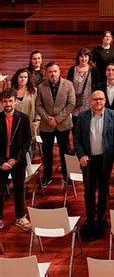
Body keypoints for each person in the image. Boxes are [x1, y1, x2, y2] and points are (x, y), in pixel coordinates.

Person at [74, 90, 114, 240]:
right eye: (95, 99)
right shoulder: (82, 117)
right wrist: (81, 155)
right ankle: (90, 219)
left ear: (105, 101)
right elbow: (76, 139)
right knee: (89, 191)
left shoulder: (113, 115)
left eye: (101, 99)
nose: (98, 102)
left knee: (103, 190)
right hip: (88, 160)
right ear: (90, 101)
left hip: (105, 159)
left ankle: (101, 218)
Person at [36, 62, 76, 188]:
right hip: (46, 125)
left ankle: (67, 176)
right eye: (50, 72)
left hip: (63, 124)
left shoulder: (68, 85)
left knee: (65, 151)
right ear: (47, 73)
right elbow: (38, 105)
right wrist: (48, 119)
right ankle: (47, 177)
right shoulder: (41, 87)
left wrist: (57, 119)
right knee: (47, 153)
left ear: (59, 72)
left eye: (55, 71)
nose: (53, 74)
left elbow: (71, 104)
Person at [0, 88, 32, 231]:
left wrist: (15, 159)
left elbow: (27, 141)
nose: (8, 104)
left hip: (17, 161)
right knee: (0, 190)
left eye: (10, 101)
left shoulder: (23, 118)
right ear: (1, 102)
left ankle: (20, 217)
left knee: (20, 189)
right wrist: (2, 162)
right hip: (1, 162)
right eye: (5, 101)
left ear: (15, 101)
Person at [67, 47, 100, 131]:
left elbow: (97, 87)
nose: (84, 58)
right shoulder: (72, 70)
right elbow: (68, 87)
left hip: (89, 104)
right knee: (75, 129)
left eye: (86, 56)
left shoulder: (93, 70)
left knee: (87, 130)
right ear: (78, 57)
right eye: (81, 56)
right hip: (75, 103)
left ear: (89, 58)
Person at [10, 68, 40, 143]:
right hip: (14, 124)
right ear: (17, 78)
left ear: (28, 79)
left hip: (29, 124)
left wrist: (36, 122)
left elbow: (38, 107)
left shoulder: (34, 91)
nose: (23, 79)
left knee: (27, 149)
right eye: (21, 77)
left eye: (25, 77)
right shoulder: (11, 91)